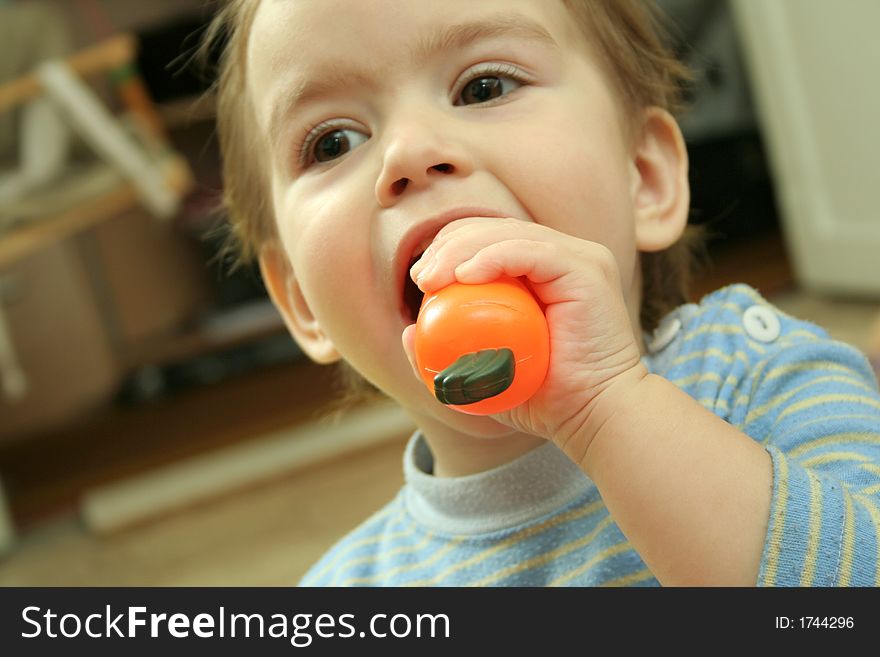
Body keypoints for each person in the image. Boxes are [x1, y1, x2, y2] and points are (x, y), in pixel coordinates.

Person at [204, 0, 880, 586]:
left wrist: (607, 409)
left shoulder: (762, 377)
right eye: (332, 142)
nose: (407, 153)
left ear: (643, 179)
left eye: (484, 86)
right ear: (300, 301)